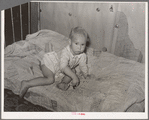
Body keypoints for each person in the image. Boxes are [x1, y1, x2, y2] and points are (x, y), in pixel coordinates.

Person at [19, 26, 90, 98]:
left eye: (82, 44)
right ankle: (26, 83)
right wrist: (74, 77)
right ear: (70, 42)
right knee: (50, 79)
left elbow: (83, 65)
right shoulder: (66, 52)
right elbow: (63, 67)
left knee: (73, 71)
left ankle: (63, 83)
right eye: (76, 43)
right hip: (49, 63)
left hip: (59, 69)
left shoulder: (83, 56)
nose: (79, 47)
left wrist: (85, 74)